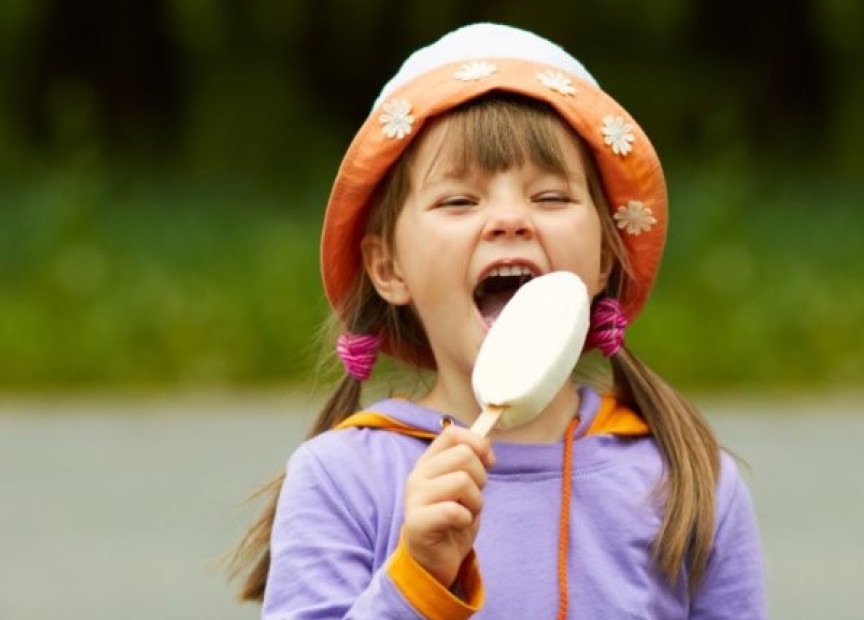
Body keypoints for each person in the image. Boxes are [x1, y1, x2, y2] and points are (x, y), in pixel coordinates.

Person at [230, 22, 766, 619]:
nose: (510, 220)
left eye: (550, 198)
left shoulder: (687, 481)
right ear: (388, 267)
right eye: (459, 201)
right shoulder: (341, 478)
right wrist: (417, 579)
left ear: (604, 258)